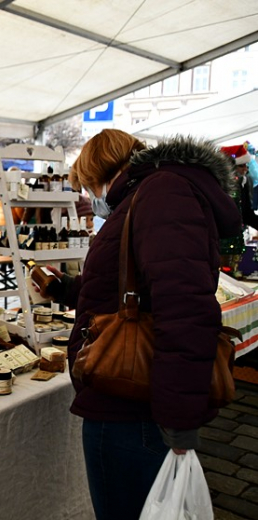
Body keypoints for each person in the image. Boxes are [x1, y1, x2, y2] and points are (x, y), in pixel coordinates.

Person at [45, 129, 241, 520]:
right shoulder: (148, 196)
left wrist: (179, 418)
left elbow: (184, 308)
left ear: (98, 171)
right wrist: (62, 287)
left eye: (88, 185)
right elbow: (126, 287)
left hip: (130, 400)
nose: (92, 196)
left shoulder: (161, 193)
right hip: (131, 397)